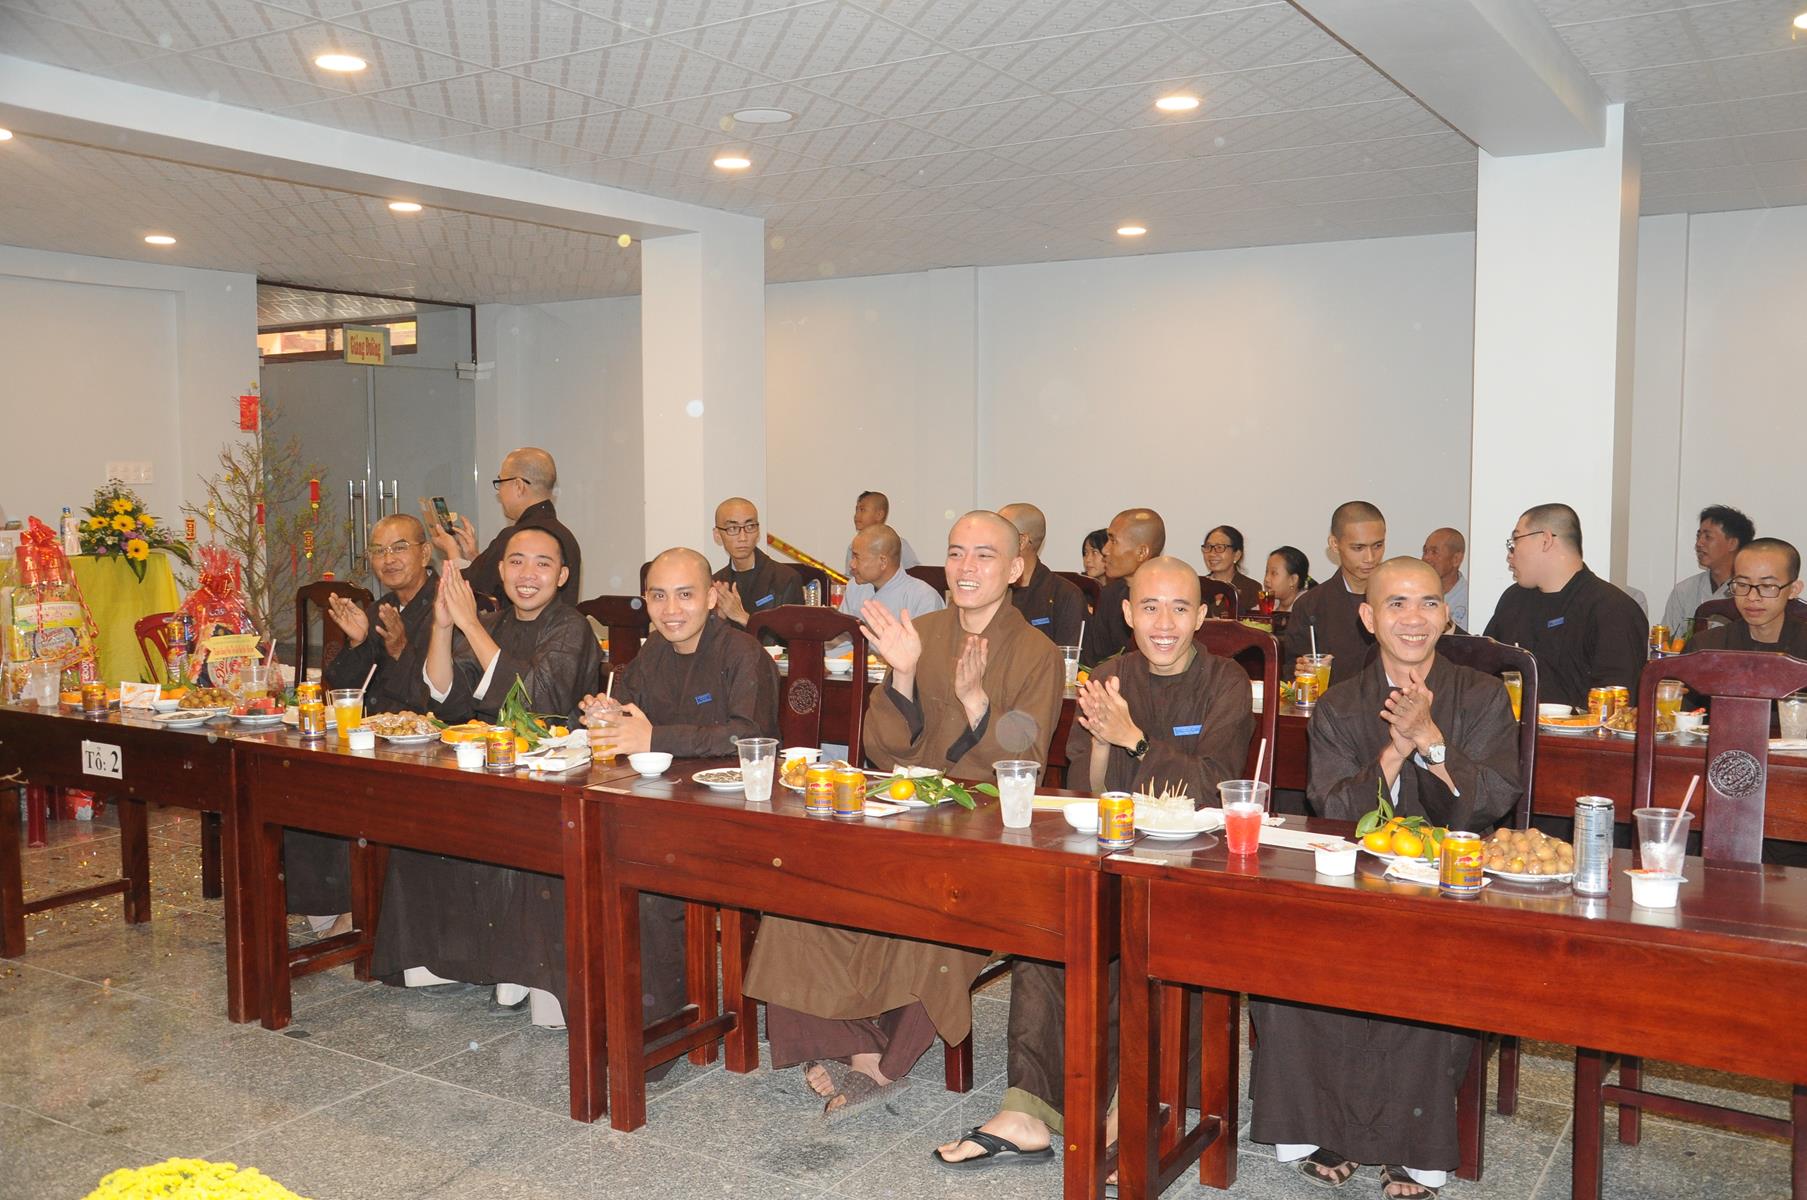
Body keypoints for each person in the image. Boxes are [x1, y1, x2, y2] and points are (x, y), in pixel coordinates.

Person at [934, 557, 1253, 1170]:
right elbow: (1087, 787)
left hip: (1192, 869)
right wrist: (1105, 744)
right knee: (1047, 933)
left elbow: (1214, 786)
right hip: (1113, 853)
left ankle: (1136, 1102)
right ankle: (1027, 1111)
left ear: (1201, 617)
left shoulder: (1225, 682)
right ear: (1128, 613)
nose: (1164, 623)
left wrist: (1135, 739)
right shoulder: (1106, 676)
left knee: (1155, 946)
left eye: (1180, 609)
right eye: (1150, 608)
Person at [746, 511, 1064, 1121]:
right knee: (802, 889)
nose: (966, 567)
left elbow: (1023, 764)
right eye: (956, 552)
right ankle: (847, 1036)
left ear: (1016, 569)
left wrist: (976, 703)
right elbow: (882, 749)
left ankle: (883, 1060)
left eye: (985, 555)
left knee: (932, 911)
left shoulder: (1036, 653)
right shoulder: (922, 631)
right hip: (905, 813)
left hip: (984, 829)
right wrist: (904, 671)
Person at [1252, 558, 1520, 1199]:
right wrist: (1397, 749)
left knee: (1424, 967)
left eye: (1428, 603)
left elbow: (1493, 801)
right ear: (1368, 618)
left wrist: (1432, 740)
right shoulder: (1340, 702)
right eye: (1396, 604)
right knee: (1282, 954)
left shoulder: (1482, 695)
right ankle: (1319, 1124)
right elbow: (1332, 806)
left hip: (1451, 884)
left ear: (1446, 615)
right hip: (1355, 880)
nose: (1413, 618)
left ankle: (1412, 1145)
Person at [372, 527, 600, 1029]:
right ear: (500, 570)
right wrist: (442, 626)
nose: (527, 574)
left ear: (562, 576)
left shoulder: (571, 627)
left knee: (511, 831)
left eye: (542, 564)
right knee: (423, 824)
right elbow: (446, 699)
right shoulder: (495, 622)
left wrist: (472, 625)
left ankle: (522, 969)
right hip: (490, 768)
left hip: (552, 776)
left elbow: (537, 701)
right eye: (516, 561)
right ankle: (445, 959)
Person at [580, 548, 781, 1061]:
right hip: (664, 805)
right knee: (584, 857)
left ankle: (661, 1028)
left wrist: (653, 737)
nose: (671, 610)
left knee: (642, 880)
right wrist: (608, 712)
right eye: (659, 596)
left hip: (735, 816)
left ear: (712, 597)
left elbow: (748, 735)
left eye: (685, 595)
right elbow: (629, 713)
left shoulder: (743, 654)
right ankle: (599, 1010)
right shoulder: (653, 652)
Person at [295, 514, 440, 937]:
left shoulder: (448, 605)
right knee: (299, 780)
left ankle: (358, 907)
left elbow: (444, 696)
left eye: (399, 548)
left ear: (425, 553)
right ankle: (326, 902)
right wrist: (359, 641)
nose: (388, 559)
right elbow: (345, 686)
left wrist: (400, 649)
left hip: (425, 744)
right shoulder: (381, 607)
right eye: (378, 551)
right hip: (372, 736)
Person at [1482, 503, 1648, 711]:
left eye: (1515, 541)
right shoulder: (1514, 599)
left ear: (1546, 540)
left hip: (1580, 731)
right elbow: (1483, 667)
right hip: (1510, 729)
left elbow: (1617, 705)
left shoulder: (1612, 610)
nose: (1510, 554)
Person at [424, 447, 582, 604]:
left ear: (519, 486)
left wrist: (451, 550)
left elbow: (466, 592)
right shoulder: (567, 537)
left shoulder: (517, 538)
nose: (499, 493)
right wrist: (474, 557)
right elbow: (491, 579)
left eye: (500, 482)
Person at [1280, 502, 1387, 686]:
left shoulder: (1400, 600)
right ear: (1335, 544)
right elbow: (1291, 668)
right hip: (1331, 703)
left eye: (1378, 545)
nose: (1370, 558)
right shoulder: (1311, 605)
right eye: (1358, 548)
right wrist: (1301, 671)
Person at [1687, 538, 1807, 657]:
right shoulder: (1706, 647)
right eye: (1742, 584)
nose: (1752, 597)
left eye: (1766, 586)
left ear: (1793, 590)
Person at [1081, 508, 1164, 668]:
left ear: (1142, 552)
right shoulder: (1110, 595)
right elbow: (1095, 660)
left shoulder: (1171, 597)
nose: (1105, 550)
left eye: (1113, 541)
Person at [708, 497, 802, 637]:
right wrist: (718, 621)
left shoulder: (786, 579)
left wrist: (742, 617)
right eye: (733, 528)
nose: (743, 537)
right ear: (717, 535)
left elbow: (793, 640)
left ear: (758, 532)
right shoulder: (716, 583)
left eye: (750, 527)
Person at [1000, 502, 1088, 647]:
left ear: (1022, 541)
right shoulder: (990, 589)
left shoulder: (1065, 596)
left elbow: (1068, 656)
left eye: (999, 534)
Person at [1661, 505, 1754, 634]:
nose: (1699, 543)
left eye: (1708, 537)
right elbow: (1668, 641)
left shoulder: (1752, 592)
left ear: (1732, 543)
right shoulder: (1684, 591)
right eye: (1698, 536)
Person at [838, 523, 944, 620]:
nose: (852, 564)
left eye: (857, 557)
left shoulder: (923, 598)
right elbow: (843, 632)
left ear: (883, 562)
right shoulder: (854, 587)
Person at [846, 490, 918, 573]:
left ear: (879, 515)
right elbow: (850, 576)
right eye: (856, 510)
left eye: (862, 510)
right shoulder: (853, 547)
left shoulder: (897, 544)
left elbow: (915, 572)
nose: (856, 515)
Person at [1200, 525, 1261, 616]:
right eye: (1208, 547)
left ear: (1237, 555)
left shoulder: (1251, 588)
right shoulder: (1198, 585)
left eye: (1220, 547)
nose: (1212, 553)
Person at [1421, 527, 1468, 629]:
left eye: (1434, 552)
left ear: (1456, 559)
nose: (1426, 558)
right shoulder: (1417, 594)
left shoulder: (1470, 598)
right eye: (1425, 551)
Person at [1263, 546, 1313, 614]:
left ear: (1293, 580)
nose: (1266, 579)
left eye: (1274, 573)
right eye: (1266, 572)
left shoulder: (1307, 609)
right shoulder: (1268, 604)